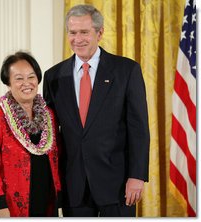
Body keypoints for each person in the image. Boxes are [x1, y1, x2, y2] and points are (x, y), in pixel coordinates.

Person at [43, 4, 150, 217]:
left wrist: (137, 176)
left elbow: (138, 128)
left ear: (99, 33)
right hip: (74, 184)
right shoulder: (53, 76)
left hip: (118, 184)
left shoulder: (126, 70)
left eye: (84, 32)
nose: (78, 39)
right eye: (72, 33)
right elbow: (51, 134)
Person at [0, 51, 61, 217]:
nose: (27, 83)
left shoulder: (49, 115)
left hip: (45, 201)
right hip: (10, 205)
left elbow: (57, 156)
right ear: (8, 82)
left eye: (31, 77)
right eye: (19, 78)